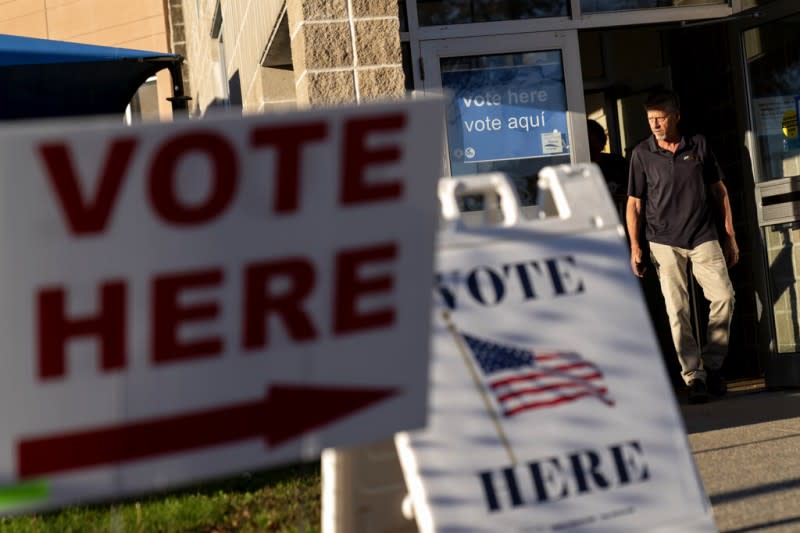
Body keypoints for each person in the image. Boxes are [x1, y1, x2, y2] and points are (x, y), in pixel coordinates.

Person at [626, 90, 738, 404]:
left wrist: (730, 236)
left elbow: (720, 191)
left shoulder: (698, 145)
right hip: (663, 241)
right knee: (678, 310)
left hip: (703, 235)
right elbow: (634, 204)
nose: (655, 124)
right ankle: (694, 376)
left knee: (724, 297)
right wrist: (635, 246)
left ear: (676, 116)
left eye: (660, 118)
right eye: (650, 119)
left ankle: (713, 364)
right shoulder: (642, 154)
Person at [587, 119, 628, 217]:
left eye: (596, 143)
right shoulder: (580, 169)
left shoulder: (617, 162)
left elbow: (632, 192)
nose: (593, 150)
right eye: (590, 146)